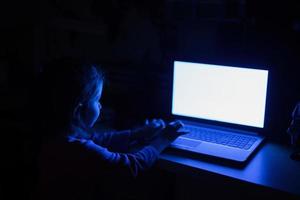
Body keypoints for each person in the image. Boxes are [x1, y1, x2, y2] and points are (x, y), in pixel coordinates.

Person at [33, 58, 187, 200]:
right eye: (97, 100)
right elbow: (132, 165)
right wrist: (163, 140)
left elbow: (97, 140)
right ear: (78, 111)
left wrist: (137, 133)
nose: (100, 105)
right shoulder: (79, 150)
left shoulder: (57, 137)